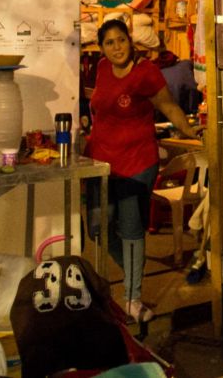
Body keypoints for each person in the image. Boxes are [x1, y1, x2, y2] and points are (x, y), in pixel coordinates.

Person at [85, 18, 198, 323]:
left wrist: (190, 132)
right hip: (101, 162)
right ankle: (133, 269)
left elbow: (169, 107)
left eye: (121, 40)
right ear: (102, 48)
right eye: (109, 43)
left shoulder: (146, 72)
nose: (117, 47)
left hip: (136, 163)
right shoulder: (103, 69)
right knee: (98, 227)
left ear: (130, 41)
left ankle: (132, 298)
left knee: (132, 231)